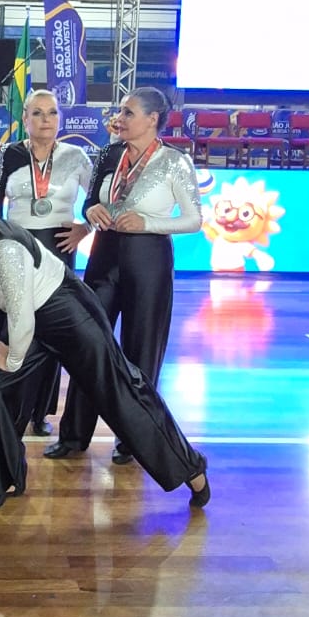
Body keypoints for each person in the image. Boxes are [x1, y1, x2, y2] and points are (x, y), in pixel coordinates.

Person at [0, 180, 210, 511]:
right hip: (33, 320)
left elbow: (20, 316)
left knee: (121, 395)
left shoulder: (4, 248)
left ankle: (191, 468)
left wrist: (13, 359)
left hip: (69, 314)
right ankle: (9, 480)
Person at [45, 87, 203, 465]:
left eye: (129, 112)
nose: (121, 118)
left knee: (141, 351)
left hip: (148, 261)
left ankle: (133, 440)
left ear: (152, 119)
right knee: (88, 342)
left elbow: (195, 219)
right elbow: (91, 200)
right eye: (120, 111)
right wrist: (93, 210)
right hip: (104, 256)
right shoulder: (110, 153)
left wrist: (149, 222)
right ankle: (74, 435)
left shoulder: (174, 162)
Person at [0, 89, 93, 435]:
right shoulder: (9, 154)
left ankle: (41, 411)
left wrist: (86, 227)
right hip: (16, 247)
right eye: (37, 113)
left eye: (51, 113)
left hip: (59, 248)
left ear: (59, 119)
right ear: (25, 119)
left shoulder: (76, 155)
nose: (45, 120)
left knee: (52, 329)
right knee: (13, 322)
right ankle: (8, 400)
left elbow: (99, 199)